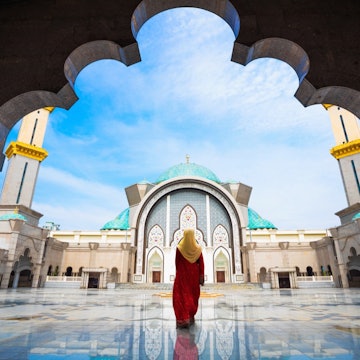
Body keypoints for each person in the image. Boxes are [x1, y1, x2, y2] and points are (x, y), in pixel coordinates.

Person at [172, 228, 204, 328]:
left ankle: (182, 319)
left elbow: (176, 262)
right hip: (193, 277)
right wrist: (201, 276)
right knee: (192, 296)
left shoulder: (180, 248)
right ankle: (190, 316)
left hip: (182, 276)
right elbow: (201, 264)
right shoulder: (198, 249)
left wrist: (179, 272)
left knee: (180, 296)